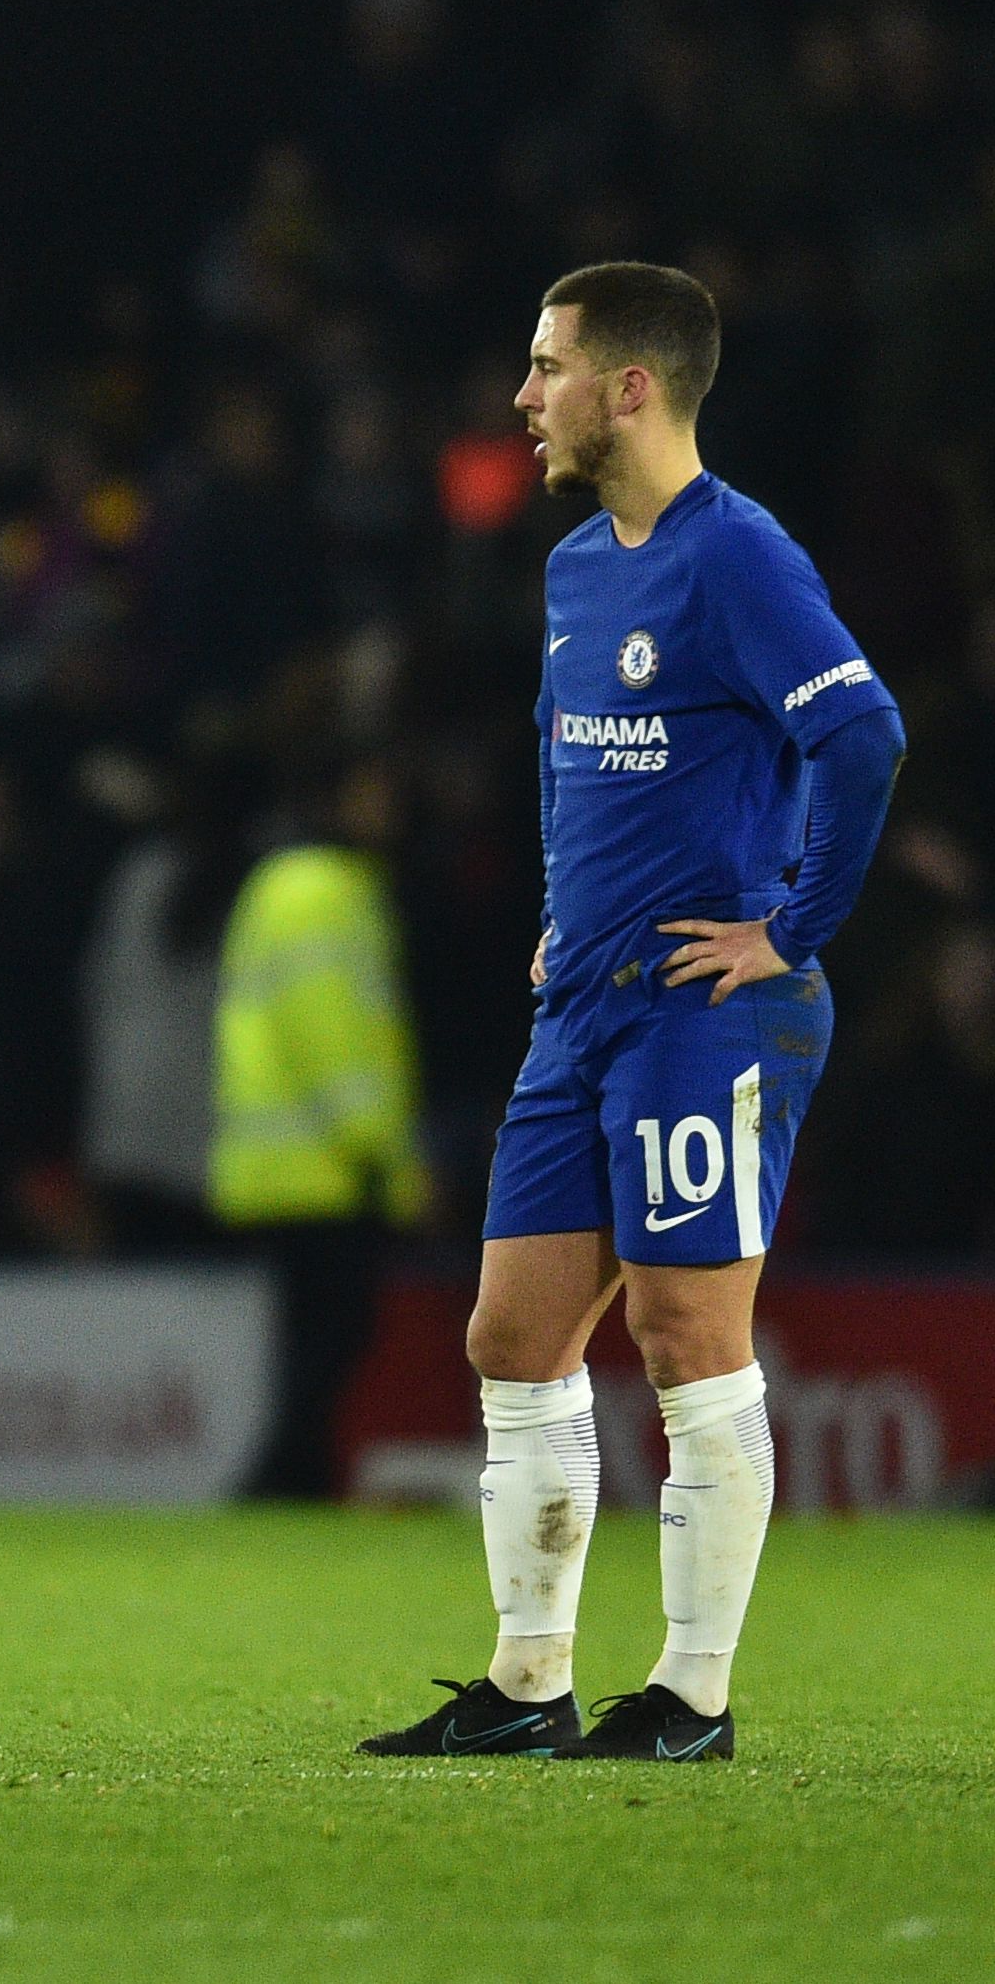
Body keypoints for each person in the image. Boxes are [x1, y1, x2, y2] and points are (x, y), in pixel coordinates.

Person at [362, 263, 904, 1765]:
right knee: (512, 1334)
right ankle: (529, 1678)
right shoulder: (581, 564)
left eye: (546, 368)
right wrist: (563, 903)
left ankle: (693, 1693)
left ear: (631, 387)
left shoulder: (738, 559)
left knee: (681, 1329)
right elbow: (567, 752)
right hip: (585, 1002)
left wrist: (788, 931)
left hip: (703, 1006)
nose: (523, 398)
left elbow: (864, 733)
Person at [209, 754, 427, 1498]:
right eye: (373, 790)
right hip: (322, 1165)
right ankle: (278, 1478)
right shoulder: (320, 891)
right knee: (334, 1333)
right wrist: (379, 1148)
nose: (389, 807)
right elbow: (330, 1033)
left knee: (318, 1337)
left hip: (289, 1161)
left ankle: (301, 1479)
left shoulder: (291, 885)